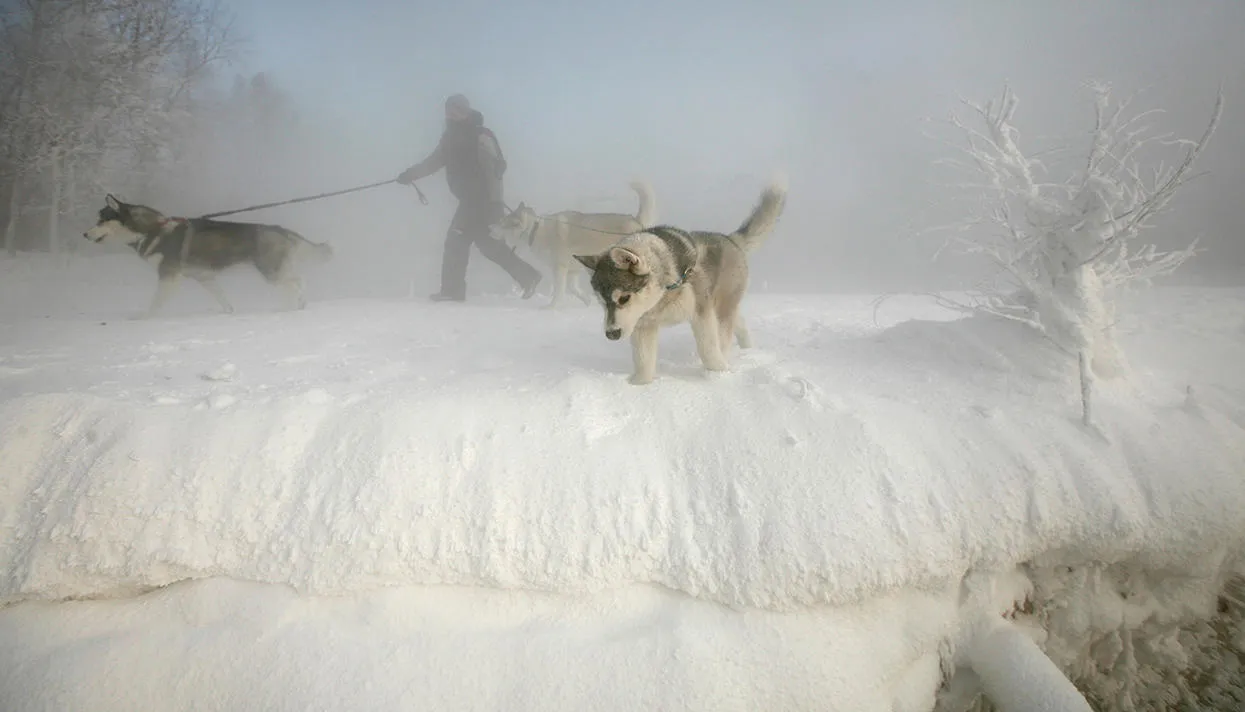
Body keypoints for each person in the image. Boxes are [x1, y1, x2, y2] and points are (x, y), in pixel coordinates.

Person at [397, 94, 542, 302]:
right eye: (448, 109)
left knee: (456, 241)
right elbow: (434, 161)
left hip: (482, 201)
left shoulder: (480, 135)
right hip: (469, 200)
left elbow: (494, 171)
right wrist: (410, 174)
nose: (450, 113)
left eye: (455, 109)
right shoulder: (449, 138)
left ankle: (452, 290)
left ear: (465, 111)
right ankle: (528, 277)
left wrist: (495, 204)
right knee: (488, 246)